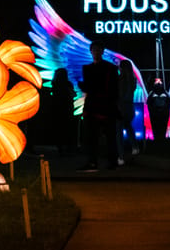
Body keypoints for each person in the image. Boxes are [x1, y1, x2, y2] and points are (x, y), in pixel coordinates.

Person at [77, 41, 120, 170]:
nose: (96, 52)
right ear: (91, 52)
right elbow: (90, 87)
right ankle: (93, 161)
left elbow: (113, 88)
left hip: (106, 106)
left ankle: (111, 161)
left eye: (98, 50)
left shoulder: (110, 68)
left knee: (109, 135)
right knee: (92, 136)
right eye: (94, 50)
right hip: (93, 106)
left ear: (102, 51)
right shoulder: (88, 68)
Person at [51, 67, 77, 155]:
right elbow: (73, 94)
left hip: (58, 109)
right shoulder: (68, 84)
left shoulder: (54, 84)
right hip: (66, 108)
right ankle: (68, 147)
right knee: (67, 128)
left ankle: (60, 147)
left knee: (59, 128)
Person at [117, 59, 139, 157]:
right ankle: (134, 147)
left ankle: (120, 154)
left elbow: (121, 94)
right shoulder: (132, 79)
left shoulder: (120, 79)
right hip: (129, 107)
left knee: (118, 130)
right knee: (127, 126)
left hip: (121, 106)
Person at [146, 77, 170, 142]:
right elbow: (148, 102)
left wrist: (165, 109)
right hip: (155, 113)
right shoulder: (152, 92)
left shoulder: (165, 92)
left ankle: (163, 138)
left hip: (163, 112)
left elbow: (169, 100)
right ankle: (156, 138)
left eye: (160, 83)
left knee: (163, 126)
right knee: (155, 126)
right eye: (157, 83)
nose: (158, 84)